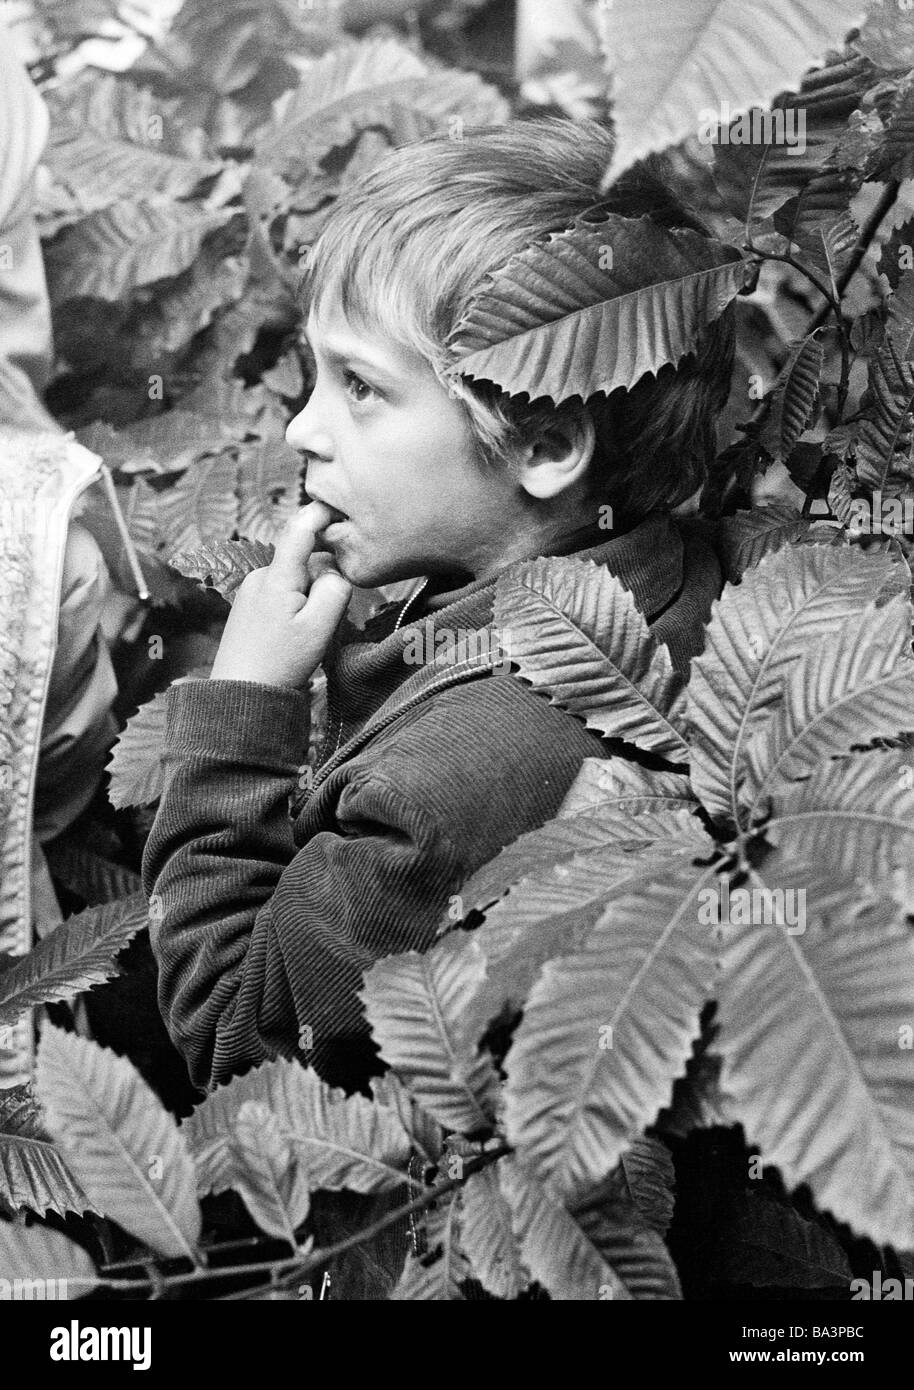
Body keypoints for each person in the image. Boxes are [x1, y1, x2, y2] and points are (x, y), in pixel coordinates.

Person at [141, 118, 730, 1099]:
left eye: (361, 388)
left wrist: (240, 711)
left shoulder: (436, 797)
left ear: (542, 444)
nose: (301, 428)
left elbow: (237, 1039)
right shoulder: (681, 575)